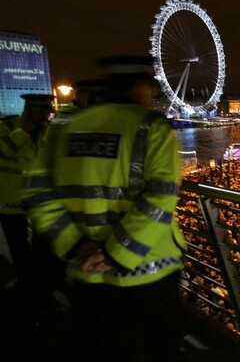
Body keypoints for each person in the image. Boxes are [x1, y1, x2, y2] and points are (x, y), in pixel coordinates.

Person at [26, 55, 186, 362]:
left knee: (99, 348)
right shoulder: (151, 126)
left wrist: (73, 245)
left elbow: (38, 191)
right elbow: (161, 197)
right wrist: (116, 253)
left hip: (87, 270)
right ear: (142, 89)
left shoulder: (66, 127)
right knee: (160, 347)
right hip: (151, 269)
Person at [0, 93, 55, 334]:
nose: (46, 118)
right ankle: (24, 310)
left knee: (41, 254)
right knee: (22, 256)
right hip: (9, 203)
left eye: (48, 113)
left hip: (37, 201)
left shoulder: (46, 132)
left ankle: (35, 301)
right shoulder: (6, 127)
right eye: (42, 113)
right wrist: (23, 131)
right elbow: (4, 152)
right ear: (28, 112)